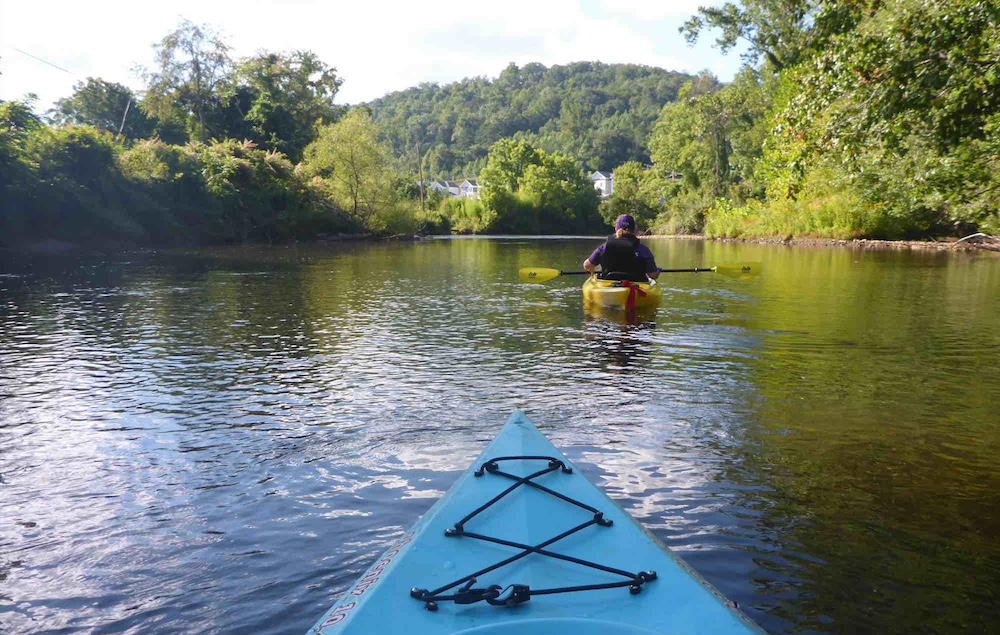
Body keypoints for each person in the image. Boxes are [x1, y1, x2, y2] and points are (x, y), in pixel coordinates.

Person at [583, 214, 659, 281]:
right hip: (637, 287)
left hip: (608, 287)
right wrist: (658, 271)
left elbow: (587, 266)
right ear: (634, 230)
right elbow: (653, 275)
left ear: (616, 229)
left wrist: (594, 273)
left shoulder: (605, 247)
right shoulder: (643, 250)